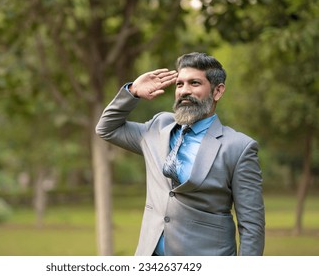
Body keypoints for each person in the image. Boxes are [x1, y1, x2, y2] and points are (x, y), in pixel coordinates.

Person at [95, 52, 265, 256]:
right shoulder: (158, 127)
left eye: (194, 83)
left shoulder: (239, 147)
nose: (184, 91)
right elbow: (106, 128)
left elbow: (252, 227)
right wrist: (133, 92)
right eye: (179, 84)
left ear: (218, 91)